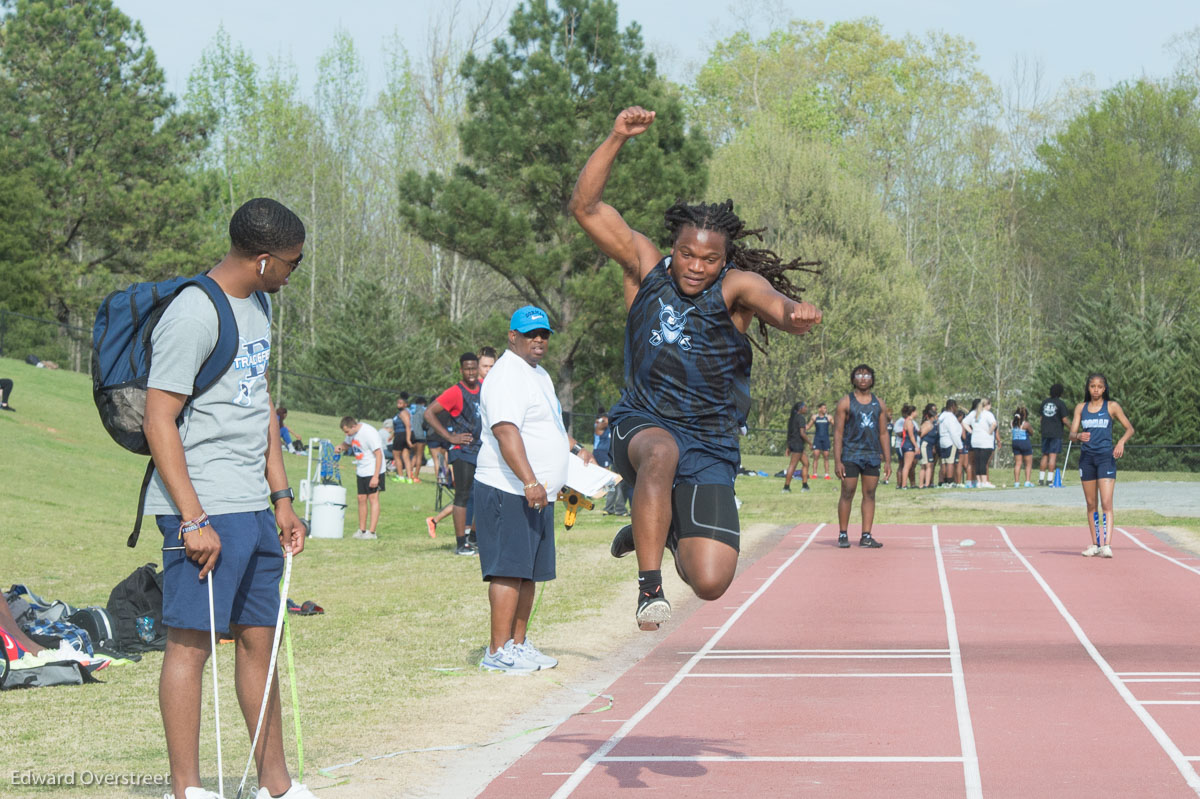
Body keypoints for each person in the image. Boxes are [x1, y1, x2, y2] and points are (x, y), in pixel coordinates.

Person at [570, 105, 822, 630]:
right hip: (643, 422)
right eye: (687, 255)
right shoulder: (645, 268)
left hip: (709, 440)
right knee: (660, 453)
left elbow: (772, 300)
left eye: (709, 260)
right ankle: (649, 587)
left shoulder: (735, 288)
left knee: (710, 583)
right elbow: (587, 207)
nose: (696, 267)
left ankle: (660, 527)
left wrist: (793, 315)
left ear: (724, 260)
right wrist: (617, 135)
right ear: (674, 248)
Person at [141, 198, 317, 799]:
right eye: (291, 264)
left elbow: (258, 401)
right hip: (202, 506)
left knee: (261, 642)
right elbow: (158, 419)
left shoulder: (259, 303)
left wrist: (282, 496)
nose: (293, 274)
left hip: (252, 505)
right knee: (189, 647)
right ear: (264, 259)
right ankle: (185, 789)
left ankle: (278, 786)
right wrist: (192, 519)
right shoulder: (193, 313)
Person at [475, 307, 593, 672]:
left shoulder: (538, 375)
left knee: (528, 571)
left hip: (537, 493)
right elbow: (506, 431)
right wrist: (530, 481)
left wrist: (573, 450)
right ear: (512, 336)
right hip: (508, 487)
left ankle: (518, 644)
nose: (538, 340)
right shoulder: (506, 375)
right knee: (508, 570)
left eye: (544, 334)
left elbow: (548, 426)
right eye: (530, 334)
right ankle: (497, 652)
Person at [1070, 373, 1134, 558]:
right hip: (1087, 459)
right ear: (1088, 388)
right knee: (1091, 504)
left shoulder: (1111, 406)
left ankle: (1107, 544)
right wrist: (1078, 436)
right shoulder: (1081, 408)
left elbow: (1130, 428)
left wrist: (1121, 442)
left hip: (1105, 458)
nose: (1096, 389)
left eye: (1099, 386)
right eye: (1092, 386)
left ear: (1104, 388)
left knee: (1106, 502)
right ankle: (1095, 544)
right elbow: (1072, 434)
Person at [424, 353, 483, 555]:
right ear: (461, 370)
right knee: (463, 495)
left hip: (482, 450)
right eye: (467, 369)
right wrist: (450, 437)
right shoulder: (455, 392)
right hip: (462, 451)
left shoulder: (485, 387)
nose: (471, 373)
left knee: (485, 495)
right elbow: (429, 413)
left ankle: (475, 539)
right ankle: (461, 544)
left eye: (474, 368)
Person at [833, 365, 890, 548]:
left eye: (867, 375)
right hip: (851, 454)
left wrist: (888, 460)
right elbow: (838, 433)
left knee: (870, 494)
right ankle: (843, 534)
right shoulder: (845, 402)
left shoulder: (879, 403)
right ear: (853, 378)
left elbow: (883, 433)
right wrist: (838, 460)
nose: (863, 378)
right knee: (847, 492)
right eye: (859, 374)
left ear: (872, 379)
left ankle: (866, 535)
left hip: (872, 455)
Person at [335, 416, 384, 540]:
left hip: (373, 470)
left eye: (347, 432)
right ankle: (362, 530)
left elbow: (379, 454)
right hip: (361, 469)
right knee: (361, 498)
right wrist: (340, 447)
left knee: (373, 499)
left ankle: (372, 532)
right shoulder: (351, 434)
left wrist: (376, 476)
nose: (347, 434)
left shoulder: (368, 432)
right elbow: (347, 444)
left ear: (353, 426)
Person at [1038, 383, 1071, 486]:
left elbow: (1041, 418)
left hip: (1045, 432)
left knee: (1045, 455)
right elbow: (1064, 419)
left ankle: (1041, 479)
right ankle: (1050, 479)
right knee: (1053, 455)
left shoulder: (1045, 402)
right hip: (1056, 432)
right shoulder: (1060, 403)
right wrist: (1072, 429)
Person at [964, 398, 998, 488]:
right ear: (987, 405)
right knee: (983, 462)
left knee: (978, 462)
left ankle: (979, 482)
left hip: (975, 441)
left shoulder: (973, 413)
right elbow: (994, 424)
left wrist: (971, 431)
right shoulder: (988, 414)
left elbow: (964, 422)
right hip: (985, 441)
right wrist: (990, 432)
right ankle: (984, 482)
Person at [782, 401, 811, 492]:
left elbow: (789, 433)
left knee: (806, 464)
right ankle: (786, 487)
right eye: (805, 407)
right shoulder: (801, 418)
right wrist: (810, 442)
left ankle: (805, 486)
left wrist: (788, 446)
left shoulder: (792, 418)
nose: (806, 409)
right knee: (793, 465)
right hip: (797, 444)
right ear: (800, 409)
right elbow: (802, 433)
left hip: (794, 444)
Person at [391, 394, 416, 484]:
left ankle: (400, 476)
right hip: (402, 434)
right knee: (406, 457)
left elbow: (408, 425)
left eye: (401, 403)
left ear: (405, 404)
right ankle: (409, 478)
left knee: (396, 456)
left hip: (402, 435)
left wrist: (408, 439)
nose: (398, 404)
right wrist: (392, 435)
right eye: (398, 403)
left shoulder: (403, 413)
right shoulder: (402, 413)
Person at [936, 399, 961, 487]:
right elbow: (953, 433)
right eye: (956, 406)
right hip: (950, 441)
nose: (956, 409)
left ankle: (944, 481)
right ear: (952, 406)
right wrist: (959, 445)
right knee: (950, 462)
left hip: (942, 441)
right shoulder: (951, 417)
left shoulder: (941, 416)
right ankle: (950, 482)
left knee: (944, 463)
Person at [1011, 406, 1034, 487]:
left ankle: (1016, 482)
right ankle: (1027, 481)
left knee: (1018, 463)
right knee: (1028, 463)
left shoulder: (1012, 423)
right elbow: (1031, 433)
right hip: (1025, 443)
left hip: (1015, 443)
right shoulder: (1026, 424)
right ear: (1025, 415)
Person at [807, 402, 832, 478]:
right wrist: (799, 427)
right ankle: (815, 474)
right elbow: (808, 426)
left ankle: (827, 475)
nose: (825, 409)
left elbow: (837, 425)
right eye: (824, 408)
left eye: (826, 408)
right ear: (819, 409)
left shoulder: (829, 417)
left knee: (826, 457)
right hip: (817, 439)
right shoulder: (815, 417)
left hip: (825, 439)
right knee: (816, 456)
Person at [408, 394, 429, 484]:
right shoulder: (424, 410)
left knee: (414, 455)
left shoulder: (410, 410)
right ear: (423, 403)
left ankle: (409, 474)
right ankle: (416, 476)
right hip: (421, 435)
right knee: (419, 456)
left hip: (412, 435)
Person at [917, 403, 939, 488]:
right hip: (925, 445)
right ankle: (924, 484)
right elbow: (921, 435)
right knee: (927, 465)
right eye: (936, 417)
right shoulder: (928, 424)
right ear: (932, 417)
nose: (937, 419)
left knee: (927, 465)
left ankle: (924, 484)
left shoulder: (932, 424)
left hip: (929, 446)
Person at [897, 404, 918, 489]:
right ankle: (904, 485)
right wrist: (916, 446)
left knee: (908, 465)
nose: (917, 413)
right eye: (916, 411)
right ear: (912, 412)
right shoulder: (908, 421)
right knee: (907, 465)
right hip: (908, 444)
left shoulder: (910, 421)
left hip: (909, 444)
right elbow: (911, 435)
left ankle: (904, 484)